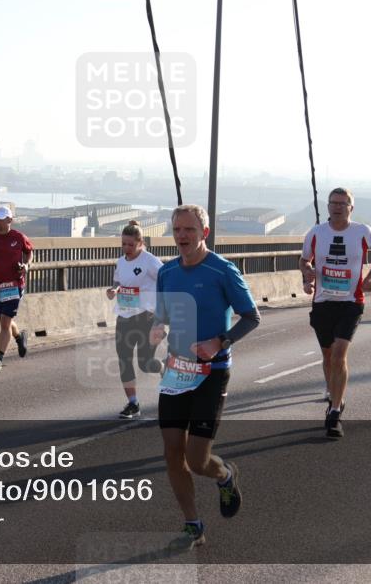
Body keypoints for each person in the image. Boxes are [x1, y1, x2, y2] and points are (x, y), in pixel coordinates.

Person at [149, 204, 260, 549]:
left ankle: (224, 474)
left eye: (189, 230)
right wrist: (156, 327)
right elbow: (162, 314)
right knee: (172, 452)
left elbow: (251, 317)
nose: (182, 236)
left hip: (212, 372)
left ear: (204, 233)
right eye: (177, 230)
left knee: (197, 460)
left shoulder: (222, 270)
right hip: (177, 371)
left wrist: (219, 341)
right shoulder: (167, 273)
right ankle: (192, 524)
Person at [300, 187, 371, 439]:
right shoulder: (316, 233)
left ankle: (335, 411)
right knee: (328, 356)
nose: (337, 207)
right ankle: (333, 392)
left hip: (351, 301)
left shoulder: (362, 231)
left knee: (339, 354)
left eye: (343, 203)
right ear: (328, 206)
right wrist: (307, 275)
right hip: (323, 302)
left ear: (351, 208)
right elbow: (304, 260)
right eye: (333, 203)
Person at [106, 220, 164, 419]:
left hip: (146, 317)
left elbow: (166, 279)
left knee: (145, 364)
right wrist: (114, 289)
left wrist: (161, 315)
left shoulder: (150, 261)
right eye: (123, 244)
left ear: (140, 243)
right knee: (124, 360)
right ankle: (133, 403)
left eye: (131, 244)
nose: (126, 248)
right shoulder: (121, 261)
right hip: (124, 315)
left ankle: (163, 367)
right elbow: (118, 280)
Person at [0, 206, 33, 371]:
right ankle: (19, 337)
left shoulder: (18, 237)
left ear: (10, 220)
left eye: (1, 220)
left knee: (4, 323)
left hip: (14, 285)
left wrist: (26, 265)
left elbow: (29, 252)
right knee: (5, 322)